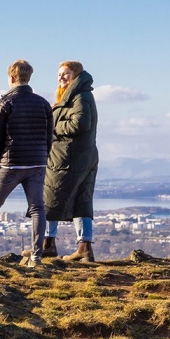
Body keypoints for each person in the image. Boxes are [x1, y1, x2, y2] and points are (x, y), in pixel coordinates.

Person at [0, 60, 52, 266]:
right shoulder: (43, 103)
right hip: (37, 162)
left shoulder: (5, 103)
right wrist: (44, 157)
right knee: (37, 208)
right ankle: (36, 256)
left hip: (11, 163)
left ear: (12, 78)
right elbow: (49, 136)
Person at [43, 61, 99, 262]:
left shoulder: (80, 96)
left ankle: (47, 244)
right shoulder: (76, 95)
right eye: (59, 74)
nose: (60, 77)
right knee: (81, 200)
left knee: (50, 197)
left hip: (67, 157)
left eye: (65, 73)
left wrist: (53, 124)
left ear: (75, 75)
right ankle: (84, 248)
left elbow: (81, 123)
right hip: (80, 155)